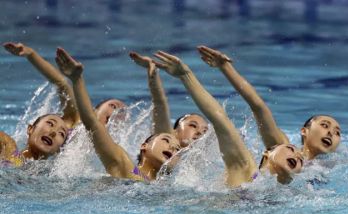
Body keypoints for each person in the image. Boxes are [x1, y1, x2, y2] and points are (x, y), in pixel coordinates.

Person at [153, 50, 304, 187]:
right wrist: (186, 76)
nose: (297, 156)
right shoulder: (246, 169)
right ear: (267, 153)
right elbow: (220, 119)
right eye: (290, 148)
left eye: (301, 161)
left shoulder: (295, 193)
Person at [55, 48, 180, 181]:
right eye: (166, 140)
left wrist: (154, 78)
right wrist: (77, 80)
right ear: (144, 146)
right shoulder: (127, 168)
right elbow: (93, 124)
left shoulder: (168, 185)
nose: (173, 147)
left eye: (178, 150)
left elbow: (160, 108)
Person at [197, 45, 341, 160]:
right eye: (324, 125)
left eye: (337, 133)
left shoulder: (339, 167)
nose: (330, 132)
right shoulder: (284, 150)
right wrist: (225, 67)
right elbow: (258, 107)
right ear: (304, 131)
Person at [3, 42, 126, 126]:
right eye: (113, 106)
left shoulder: (114, 151)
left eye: (122, 112)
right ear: (95, 110)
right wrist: (31, 54)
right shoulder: (75, 121)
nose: (116, 113)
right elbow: (62, 83)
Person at [129, 52, 208, 148]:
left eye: (205, 131)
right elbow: (159, 103)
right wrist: (152, 73)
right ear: (174, 132)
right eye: (192, 125)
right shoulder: (165, 148)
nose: (200, 132)